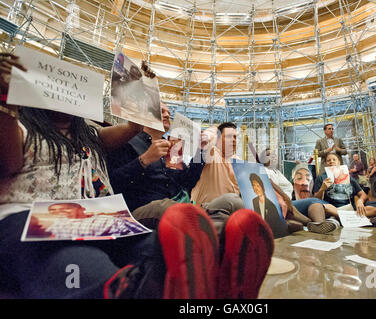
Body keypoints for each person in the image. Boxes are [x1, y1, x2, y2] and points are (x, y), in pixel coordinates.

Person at [0, 53, 273, 299]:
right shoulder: (19, 127)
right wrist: (5, 101)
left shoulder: (91, 136)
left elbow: (133, 125)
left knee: (160, 248)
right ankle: (125, 289)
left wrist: (142, 90)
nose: (65, 92)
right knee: (77, 260)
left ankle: (219, 268)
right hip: (36, 219)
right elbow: (8, 161)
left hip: (99, 219)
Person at [313, 153, 376, 223]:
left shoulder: (348, 177)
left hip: (350, 209)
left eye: (334, 159)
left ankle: (340, 218)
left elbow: (363, 195)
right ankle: (359, 218)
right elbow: (317, 199)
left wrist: (360, 201)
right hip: (332, 209)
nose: (331, 161)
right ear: (326, 163)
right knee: (320, 207)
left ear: (339, 162)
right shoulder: (321, 178)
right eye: (329, 160)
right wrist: (322, 189)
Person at [33, 202, 148, 239]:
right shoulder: (56, 226)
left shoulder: (106, 219)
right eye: (54, 212)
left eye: (66, 208)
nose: (60, 212)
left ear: (81, 208)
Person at [291, 164, 340, 234]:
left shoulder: (315, 203)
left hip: (312, 208)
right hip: (289, 205)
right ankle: (343, 217)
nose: (305, 183)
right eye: (299, 178)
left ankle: (319, 226)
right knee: (314, 201)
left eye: (308, 179)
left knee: (316, 204)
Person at [249, 173, 286, 237]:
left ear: (262, 187)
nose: (256, 189)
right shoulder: (254, 201)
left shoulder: (271, 205)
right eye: (253, 186)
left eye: (258, 185)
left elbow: (276, 227)